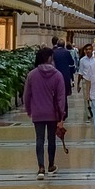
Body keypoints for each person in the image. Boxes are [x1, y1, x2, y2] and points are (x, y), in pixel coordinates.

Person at [23, 47, 67, 179]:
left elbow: (26, 95)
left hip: (38, 112)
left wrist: (29, 109)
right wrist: (61, 115)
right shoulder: (58, 75)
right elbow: (61, 97)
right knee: (51, 139)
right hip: (52, 113)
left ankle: (41, 167)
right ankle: (51, 165)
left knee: (39, 139)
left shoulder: (32, 75)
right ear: (49, 59)